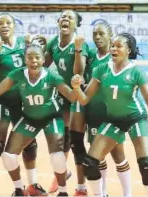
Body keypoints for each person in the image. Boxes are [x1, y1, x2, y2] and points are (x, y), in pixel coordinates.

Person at [0, 44, 76, 196]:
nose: (33, 60)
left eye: (37, 57)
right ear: (25, 60)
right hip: (29, 118)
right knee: (8, 156)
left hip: (51, 117)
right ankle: (20, 189)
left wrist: (76, 87)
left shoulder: (52, 76)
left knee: (57, 157)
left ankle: (63, 192)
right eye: (30, 57)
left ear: (43, 60)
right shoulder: (17, 74)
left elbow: (72, 97)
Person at [71, 32, 148, 197]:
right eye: (112, 46)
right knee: (89, 163)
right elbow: (85, 99)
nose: (113, 49)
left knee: (146, 164)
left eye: (118, 46)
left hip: (135, 118)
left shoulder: (136, 72)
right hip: (113, 119)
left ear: (128, 50)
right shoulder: (101, 69)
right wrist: (75, 88)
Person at [0, 13, 46, 196]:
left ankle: (32, 184)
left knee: (30, 144)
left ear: (14, 25)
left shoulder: (23, 43)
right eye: (0, 23)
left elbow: (37, 60)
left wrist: (33, 44)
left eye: (8, 22)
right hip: (2, 100)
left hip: (23, 101)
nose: (4, 26)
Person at [44, 10, 89, 196]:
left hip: (78, 94)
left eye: (70, 17)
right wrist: (37, 47)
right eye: (63, 16)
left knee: (76, 140)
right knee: (62, 136)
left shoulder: (79, 43)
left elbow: (79, 72)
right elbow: (43, 65)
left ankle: (82, 187)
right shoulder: (54, 42)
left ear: (75, 25)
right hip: (62, 93)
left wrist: (77, 50)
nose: (65, 19)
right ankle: (62, 173)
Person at [85, 21, 131, 196]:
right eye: (95, 34)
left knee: (118, 154)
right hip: (93, 113)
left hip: (112, 114)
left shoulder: (116, 58)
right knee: (98, 157)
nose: (97, 37)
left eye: (102, 34)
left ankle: (127, 193)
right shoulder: (90, 56)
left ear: (110, 35)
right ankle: (102, 193)